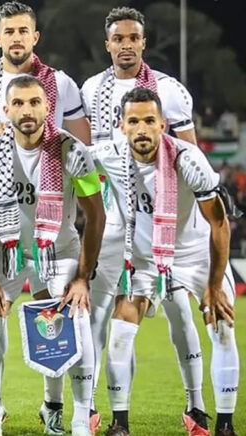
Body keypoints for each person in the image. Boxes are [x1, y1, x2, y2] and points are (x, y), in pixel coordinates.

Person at [80, 7, 202, 433]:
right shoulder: (92, 89)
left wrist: (182, 224)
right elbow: (85, 158)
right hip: (113, 220)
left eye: (134, 38)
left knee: (180, 311)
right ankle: (90, 408)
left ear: (143, 43)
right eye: (119, 38)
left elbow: (190, 157)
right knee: (99, 315)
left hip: (163, 223)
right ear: (108, 44)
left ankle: (197, 407)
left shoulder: (169, 90)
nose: (126, 45)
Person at [90, 87, 240, 436]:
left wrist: (214, 285)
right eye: (133, 121)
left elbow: (219, 224)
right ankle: (120, 424)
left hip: (196, 256)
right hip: (144, 260)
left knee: (222, 327)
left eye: (149, 121)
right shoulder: (108, 154)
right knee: (120, 332)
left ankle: (226, 426)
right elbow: (60, 153)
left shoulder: (189, 159)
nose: (141, 129)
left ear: (163, 124)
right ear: (121, 126)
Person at [0, 75, 105, 436]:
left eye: (34, 102)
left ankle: (77, 419)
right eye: (19, 103)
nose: (27, 110)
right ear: (6, 109)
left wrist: (82, 278)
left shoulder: (73, 151)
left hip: (58, 249)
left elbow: (96, 214)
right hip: (5, 246)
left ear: (47, 107)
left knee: (73, 322)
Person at [0, 0, 89, 150]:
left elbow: (87, 146)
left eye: (23, 31)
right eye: (9, 32)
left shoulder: (60, 83)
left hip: (48, 164)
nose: (16, 38)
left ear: (35, 38)